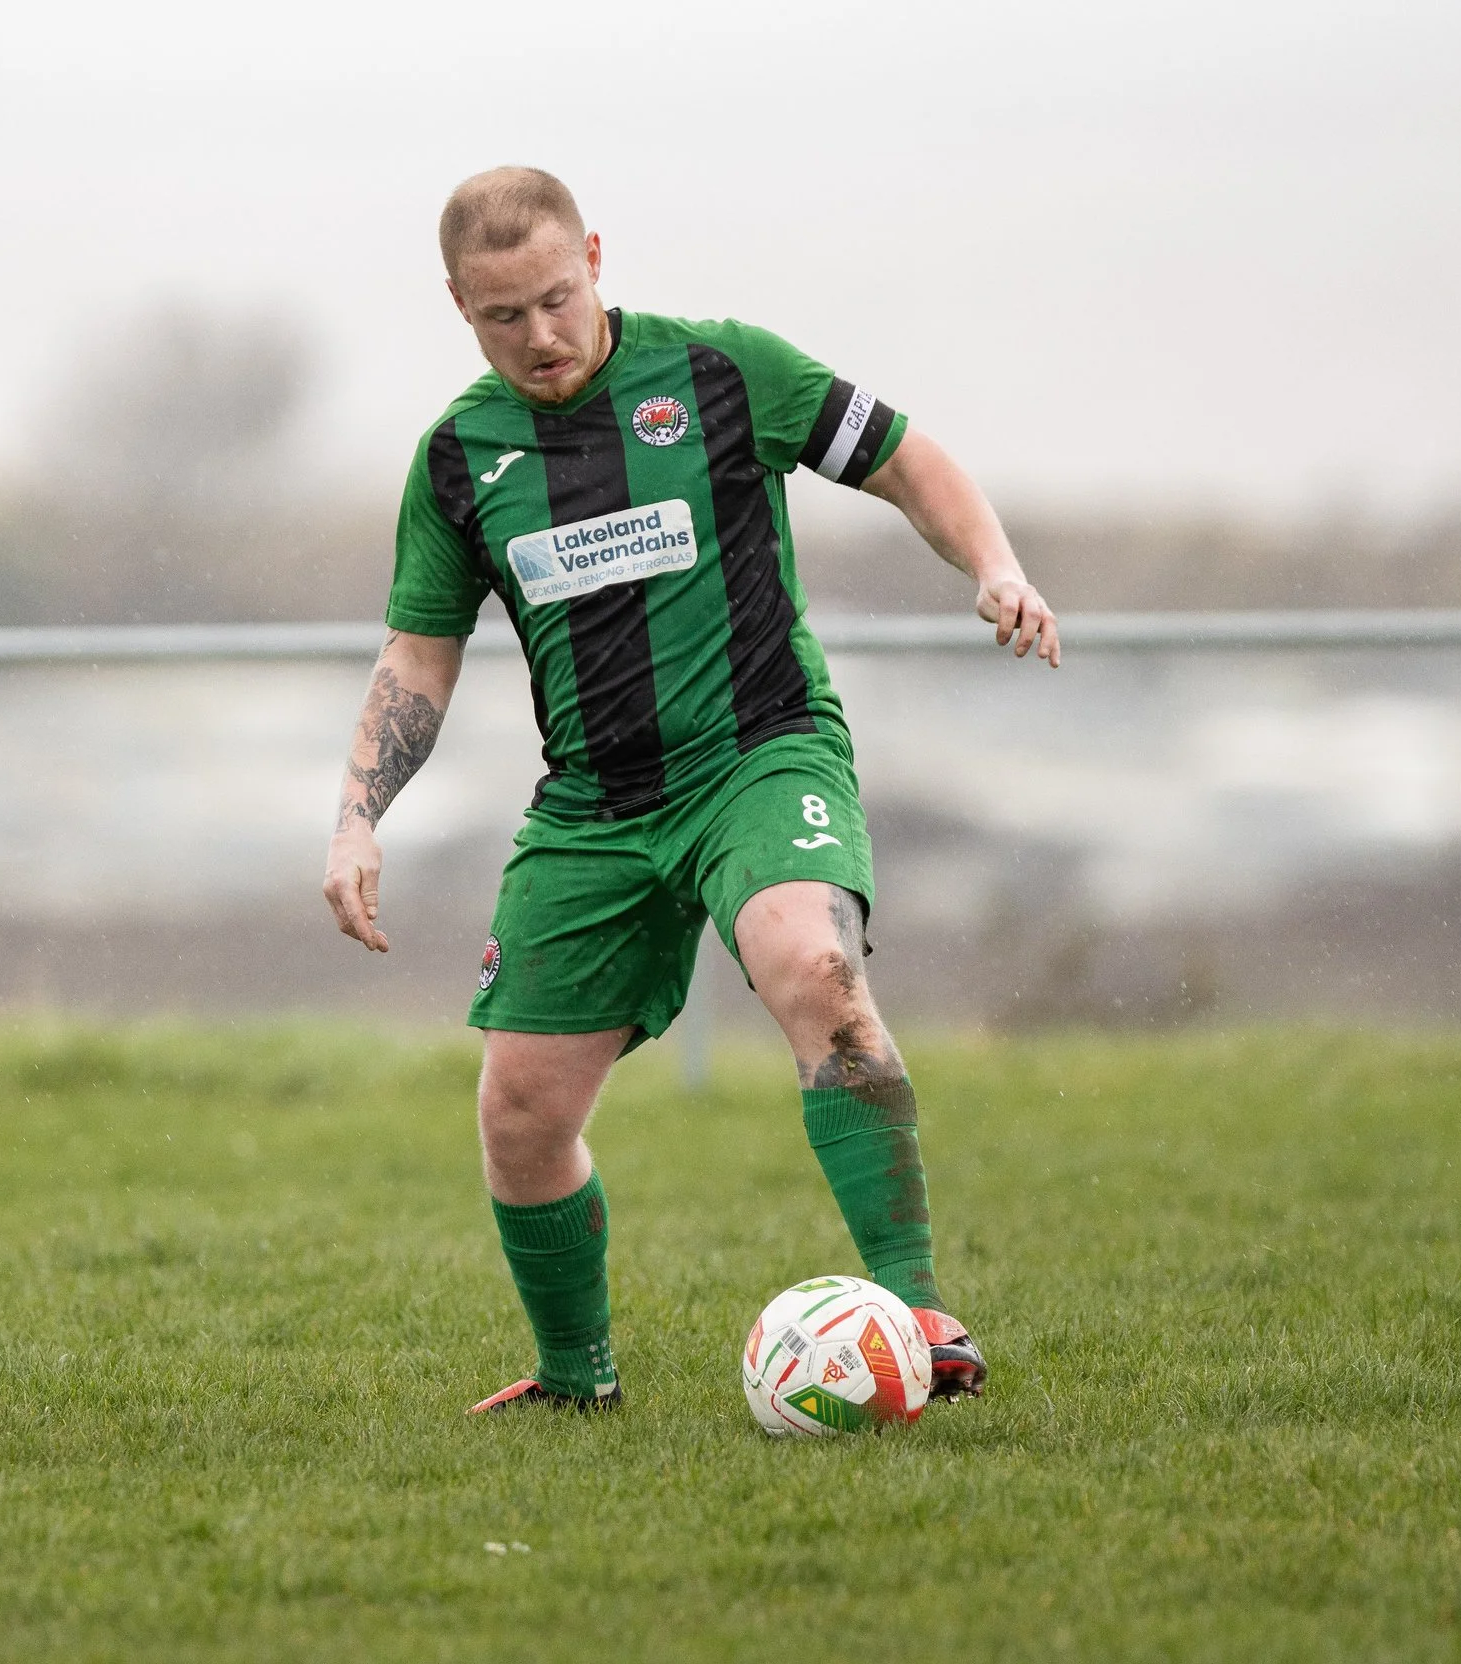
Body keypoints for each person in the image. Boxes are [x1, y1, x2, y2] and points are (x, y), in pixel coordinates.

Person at [321, 166, 1060, 1413]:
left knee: (811, 966)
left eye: (557, 298)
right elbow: (419, 655)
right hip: (595, 805)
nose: (541, 335)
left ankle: (919, 1313)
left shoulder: (723, 372)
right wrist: (356, 815)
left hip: (759, 753)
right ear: (458, 306)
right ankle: (574, 1381)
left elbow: (898, 455)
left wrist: (993, 567)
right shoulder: (457, 459)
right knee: (517, 1108)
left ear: (596, 257)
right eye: (504, 316)